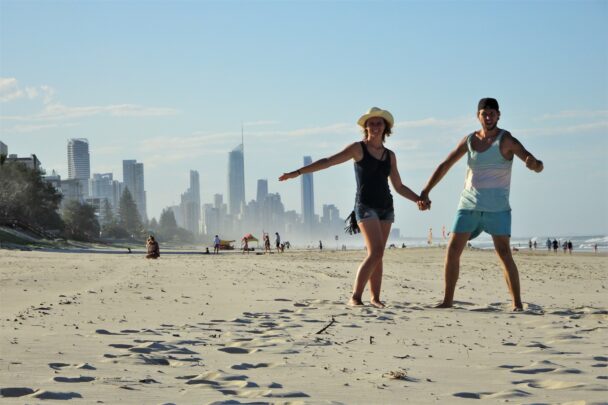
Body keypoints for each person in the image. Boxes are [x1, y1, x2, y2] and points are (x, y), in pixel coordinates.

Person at [279, 107, 420, 308]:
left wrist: (418, 199)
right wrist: (298, 173)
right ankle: (355, 297)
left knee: (378, 255)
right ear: (366, 127)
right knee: (376, 252)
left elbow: (398, 186)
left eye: (379, 123)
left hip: (386, 208)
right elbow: (328, 162)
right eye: (371, 123)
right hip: (365, 206)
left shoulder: (390, 156)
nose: (376, 126)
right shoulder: (357, 149)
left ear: (385, 128)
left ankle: (375, 299)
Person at [418, 98, 543, 311]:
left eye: (492, 113)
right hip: (468, 205)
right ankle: (448, 301)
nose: (488, 117)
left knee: (504, 253)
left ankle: (517, 303)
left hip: (498, 208)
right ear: (478, 116)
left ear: (498, 116)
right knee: (453, 250)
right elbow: (445, 164)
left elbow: (534, 162)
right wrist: (426, 190)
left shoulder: (507, 140)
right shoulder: (469, 140)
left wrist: (535, 165)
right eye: (484, 113)